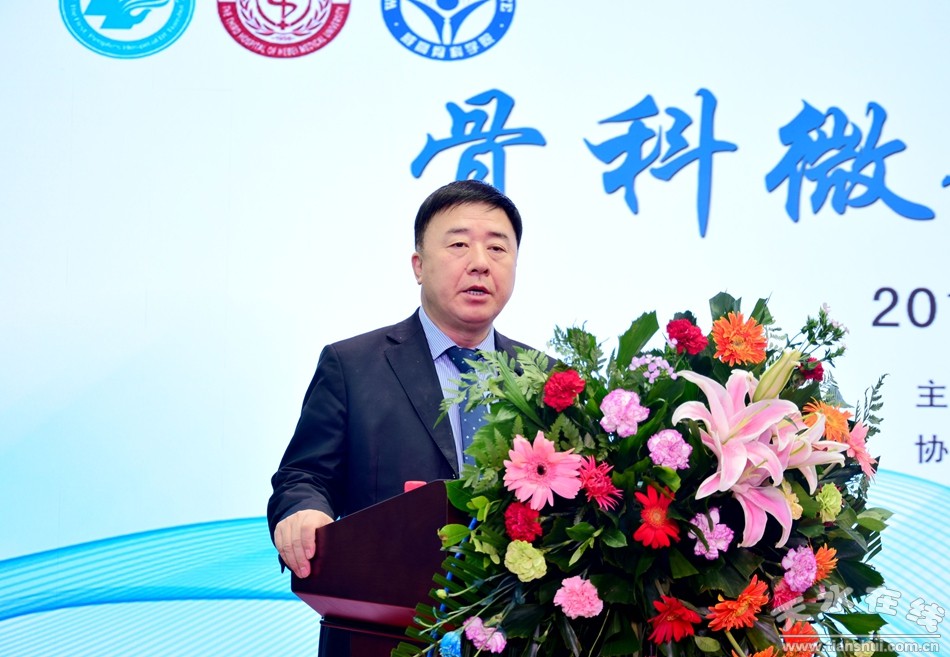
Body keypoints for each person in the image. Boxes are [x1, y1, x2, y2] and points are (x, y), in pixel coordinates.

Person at [267, 179, 533, 582]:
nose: (480, 262)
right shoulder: (352, 366)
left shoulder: (544, 378)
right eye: (459, 244)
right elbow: (304, 476)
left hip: (515, 612)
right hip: (383, 604)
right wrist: (304, 511)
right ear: (419, 266)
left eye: (497, 248)